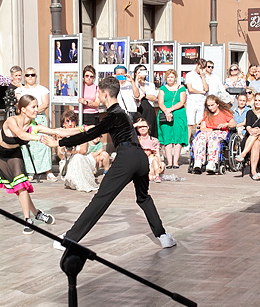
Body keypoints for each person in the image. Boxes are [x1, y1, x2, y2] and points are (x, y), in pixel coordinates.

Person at [55, 76, 176, 250]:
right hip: (141, 158)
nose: (98, 98)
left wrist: (60, 142)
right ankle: (163, 236)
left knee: (101, 199)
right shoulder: (123, 113)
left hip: (126, 158)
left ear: (104, 94)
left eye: (99, 94)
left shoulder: (112, 115)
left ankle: (70, 239)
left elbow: (90, 134)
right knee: (143, 198)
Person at [0, 94, 63, 233]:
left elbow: (56, 131)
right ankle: (37, 214)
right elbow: (21, 135)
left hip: (14, 154)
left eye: (37, 106)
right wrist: (39, 138)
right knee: (19, 188)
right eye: (33, 107)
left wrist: (84, 130)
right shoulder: (11, 121)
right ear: (23, 109)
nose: (37, 109)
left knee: (21, 185)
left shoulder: (34, 126)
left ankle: (28, 220)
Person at [16, 68, 54, 182]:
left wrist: (34, 111)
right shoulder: (20, 90)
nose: (30, 77)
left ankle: (48, 171)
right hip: (26, 120)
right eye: (27, 75)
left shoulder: (42, 89)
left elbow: (45, 104)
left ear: (36, 76)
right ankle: (30, 171)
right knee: (28, 145)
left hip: (40, 118)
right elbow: (19, 104)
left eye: (32, 75)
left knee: (44, 143)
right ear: (24, 77)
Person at [58, 111, 102, 193]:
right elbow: (60, 156)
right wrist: (64, 149)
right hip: (67, 161)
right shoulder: (61, 135)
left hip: (83, 159)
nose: (70, 124)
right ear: (63, 123)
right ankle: (72, 182)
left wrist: (73, 151)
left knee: (78, 158)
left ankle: (82, 183)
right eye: (67, 121)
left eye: (72, 121)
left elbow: (83, 151)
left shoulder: (81, 133)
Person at [191, 95, 235, 175]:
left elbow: (233, 124)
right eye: (209, 105)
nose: (210, 107)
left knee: (213, 138)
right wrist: (211, 130)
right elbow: (203, 127)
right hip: (208, 131)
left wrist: (226, 124)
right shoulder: (206, 114)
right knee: (199, 138)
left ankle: (212, 162)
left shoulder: (224, 113)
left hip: (220, 132)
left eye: (212, 105)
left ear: (217, 104)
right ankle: (198, 161)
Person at [235, 92, 260, 181]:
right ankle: (253, 171)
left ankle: (243, 154)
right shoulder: (250, 112)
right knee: (255, 143)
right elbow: (247, 124)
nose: (257, 102)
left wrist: (259, 131)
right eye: (256, 100)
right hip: (251, 136)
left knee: (256, 136)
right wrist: (251, 130)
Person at [158, 69, 188, 169]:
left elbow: (182, 102)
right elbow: (160, 102)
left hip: (178, 114)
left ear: (175, 78)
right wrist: (166, 111)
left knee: (178, 138)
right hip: (164, 114)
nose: (170, 79)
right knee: (167, 138)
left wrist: (171, 109)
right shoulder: (162, 88)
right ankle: (169, 162)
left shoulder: (181, 88)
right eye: (168, 77)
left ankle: (176, 162)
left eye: (172, 77)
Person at [184, 59, 209, 141]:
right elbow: (190, 89)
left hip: (201, 102)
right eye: (200, 67)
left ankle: (197, 141)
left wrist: (202, 77)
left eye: (203, 68)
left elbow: (206, 89)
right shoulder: (190, 75)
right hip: (192, 101)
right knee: (190, 123)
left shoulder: (204, 76)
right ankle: (187, 143)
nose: (201, 70)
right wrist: (201, 92)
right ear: (197, 65)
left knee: (199, 122)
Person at [134, 117, 165, 182]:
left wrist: (159, 162)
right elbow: (127, 131)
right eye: (140, 127)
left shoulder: (154, 140)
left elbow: (157, 154)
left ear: (148, 127)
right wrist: (136, 124)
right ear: (137, 129)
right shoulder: (136, 139)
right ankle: (153, 175)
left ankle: (157, 176)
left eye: (144, 126)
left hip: (152, 161)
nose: (142, 128)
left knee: (158, 161)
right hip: (141, 161)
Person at [134, 65, 159, 132]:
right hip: (138, 109)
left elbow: (154, 97)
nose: (142, 72)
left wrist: (144, 95)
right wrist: (137, 79)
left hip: (149, 109)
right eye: (140, 71)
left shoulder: (150, 85)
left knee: (149, 128)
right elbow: (135, 95)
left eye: (144, 70)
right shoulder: (132, 84)